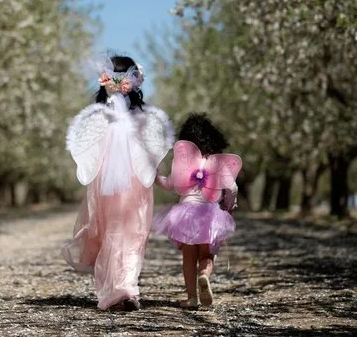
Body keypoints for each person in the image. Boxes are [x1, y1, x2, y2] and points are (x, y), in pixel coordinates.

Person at [62, 53, 174, 311]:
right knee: (132, 235)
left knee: (111, 234)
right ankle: (126, 289)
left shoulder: (100, 117)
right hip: (136, 186)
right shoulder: (142, 117)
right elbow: (152, 148)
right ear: (135, 82)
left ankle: (115, 290)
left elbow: (87, 149)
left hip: (105, 187)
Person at [153, 114, 241, 309]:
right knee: (207, 256)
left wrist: (155, 175)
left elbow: (169, 185)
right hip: (210, 214)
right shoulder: (217, 163)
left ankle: (192, 298)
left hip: (185, 213)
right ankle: (204, 276)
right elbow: (232, 188)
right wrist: (228, 207)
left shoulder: (183, 162)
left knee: (188, 257)